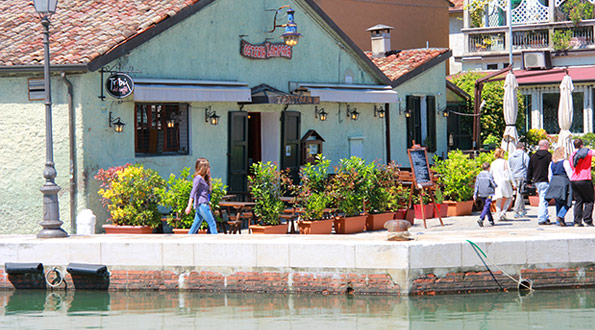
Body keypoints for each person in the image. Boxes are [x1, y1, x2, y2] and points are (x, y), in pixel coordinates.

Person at [185, 158, 218, 234]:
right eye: (208, 167)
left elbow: (209, 191)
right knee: (212, 223)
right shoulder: (198, 178)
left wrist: (209, 179)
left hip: (202, 204)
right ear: (203, 168)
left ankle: (187, 241)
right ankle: (217, 242)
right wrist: (189, 206)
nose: (209, 168)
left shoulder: (203, 179)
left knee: (195, 226)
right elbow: (193, 192)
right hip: (201, 204)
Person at [544, 147, 572, 226]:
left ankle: (559, 221)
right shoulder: (565, 162)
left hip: (554, 181)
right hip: (563, 181)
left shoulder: (552, 163)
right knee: (567, 202)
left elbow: (550, 175)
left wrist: (551, 184)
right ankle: (560, 215)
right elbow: (569, 173)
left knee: (558, 202)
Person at [570, 139, 594, 227]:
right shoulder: (587, 153)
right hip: (584, 178)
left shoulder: (572, 155)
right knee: (589, 201)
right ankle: (587, 220)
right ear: (581, 145)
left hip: (574, 179)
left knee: (578, 201)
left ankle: (577, 221)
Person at [527, 139, 552, 225]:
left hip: (537, 180)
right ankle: (542, 218)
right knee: (543, 200)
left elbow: (529, 169)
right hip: (546, 180)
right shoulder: (549, 156)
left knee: (543, 198)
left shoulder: (533, 156)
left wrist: (528, 181)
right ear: (545, 146)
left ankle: (545, 216)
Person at [490, 148, 513, 221]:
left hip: (496, 182)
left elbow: (491, 174)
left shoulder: (493, 163)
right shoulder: (505, 162)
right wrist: (513, 182)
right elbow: (510, 173)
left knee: (498, 199)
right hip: (505, 182)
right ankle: (504, 211)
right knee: (509, 197)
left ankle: (498, 214)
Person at [508, 142, 529, 218]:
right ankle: (516, 210)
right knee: (520, 193)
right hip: (521, 176)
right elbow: (528, 166)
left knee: (520, 192)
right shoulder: (524, 155)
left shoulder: (511, 156)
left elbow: (509, 167)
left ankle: (523, 209)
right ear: (522, 147)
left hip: (513, 176)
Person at [474, 162, 497, 227]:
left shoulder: (479, 175)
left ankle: (490, 220)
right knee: (487, 206)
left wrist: (475, 194)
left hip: (481, 193)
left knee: (486, 206)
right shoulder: (489, 175)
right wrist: (496, 186)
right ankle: (481, 218)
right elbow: (492, 183)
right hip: (488, 192)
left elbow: (476, 185)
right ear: (489, 168)